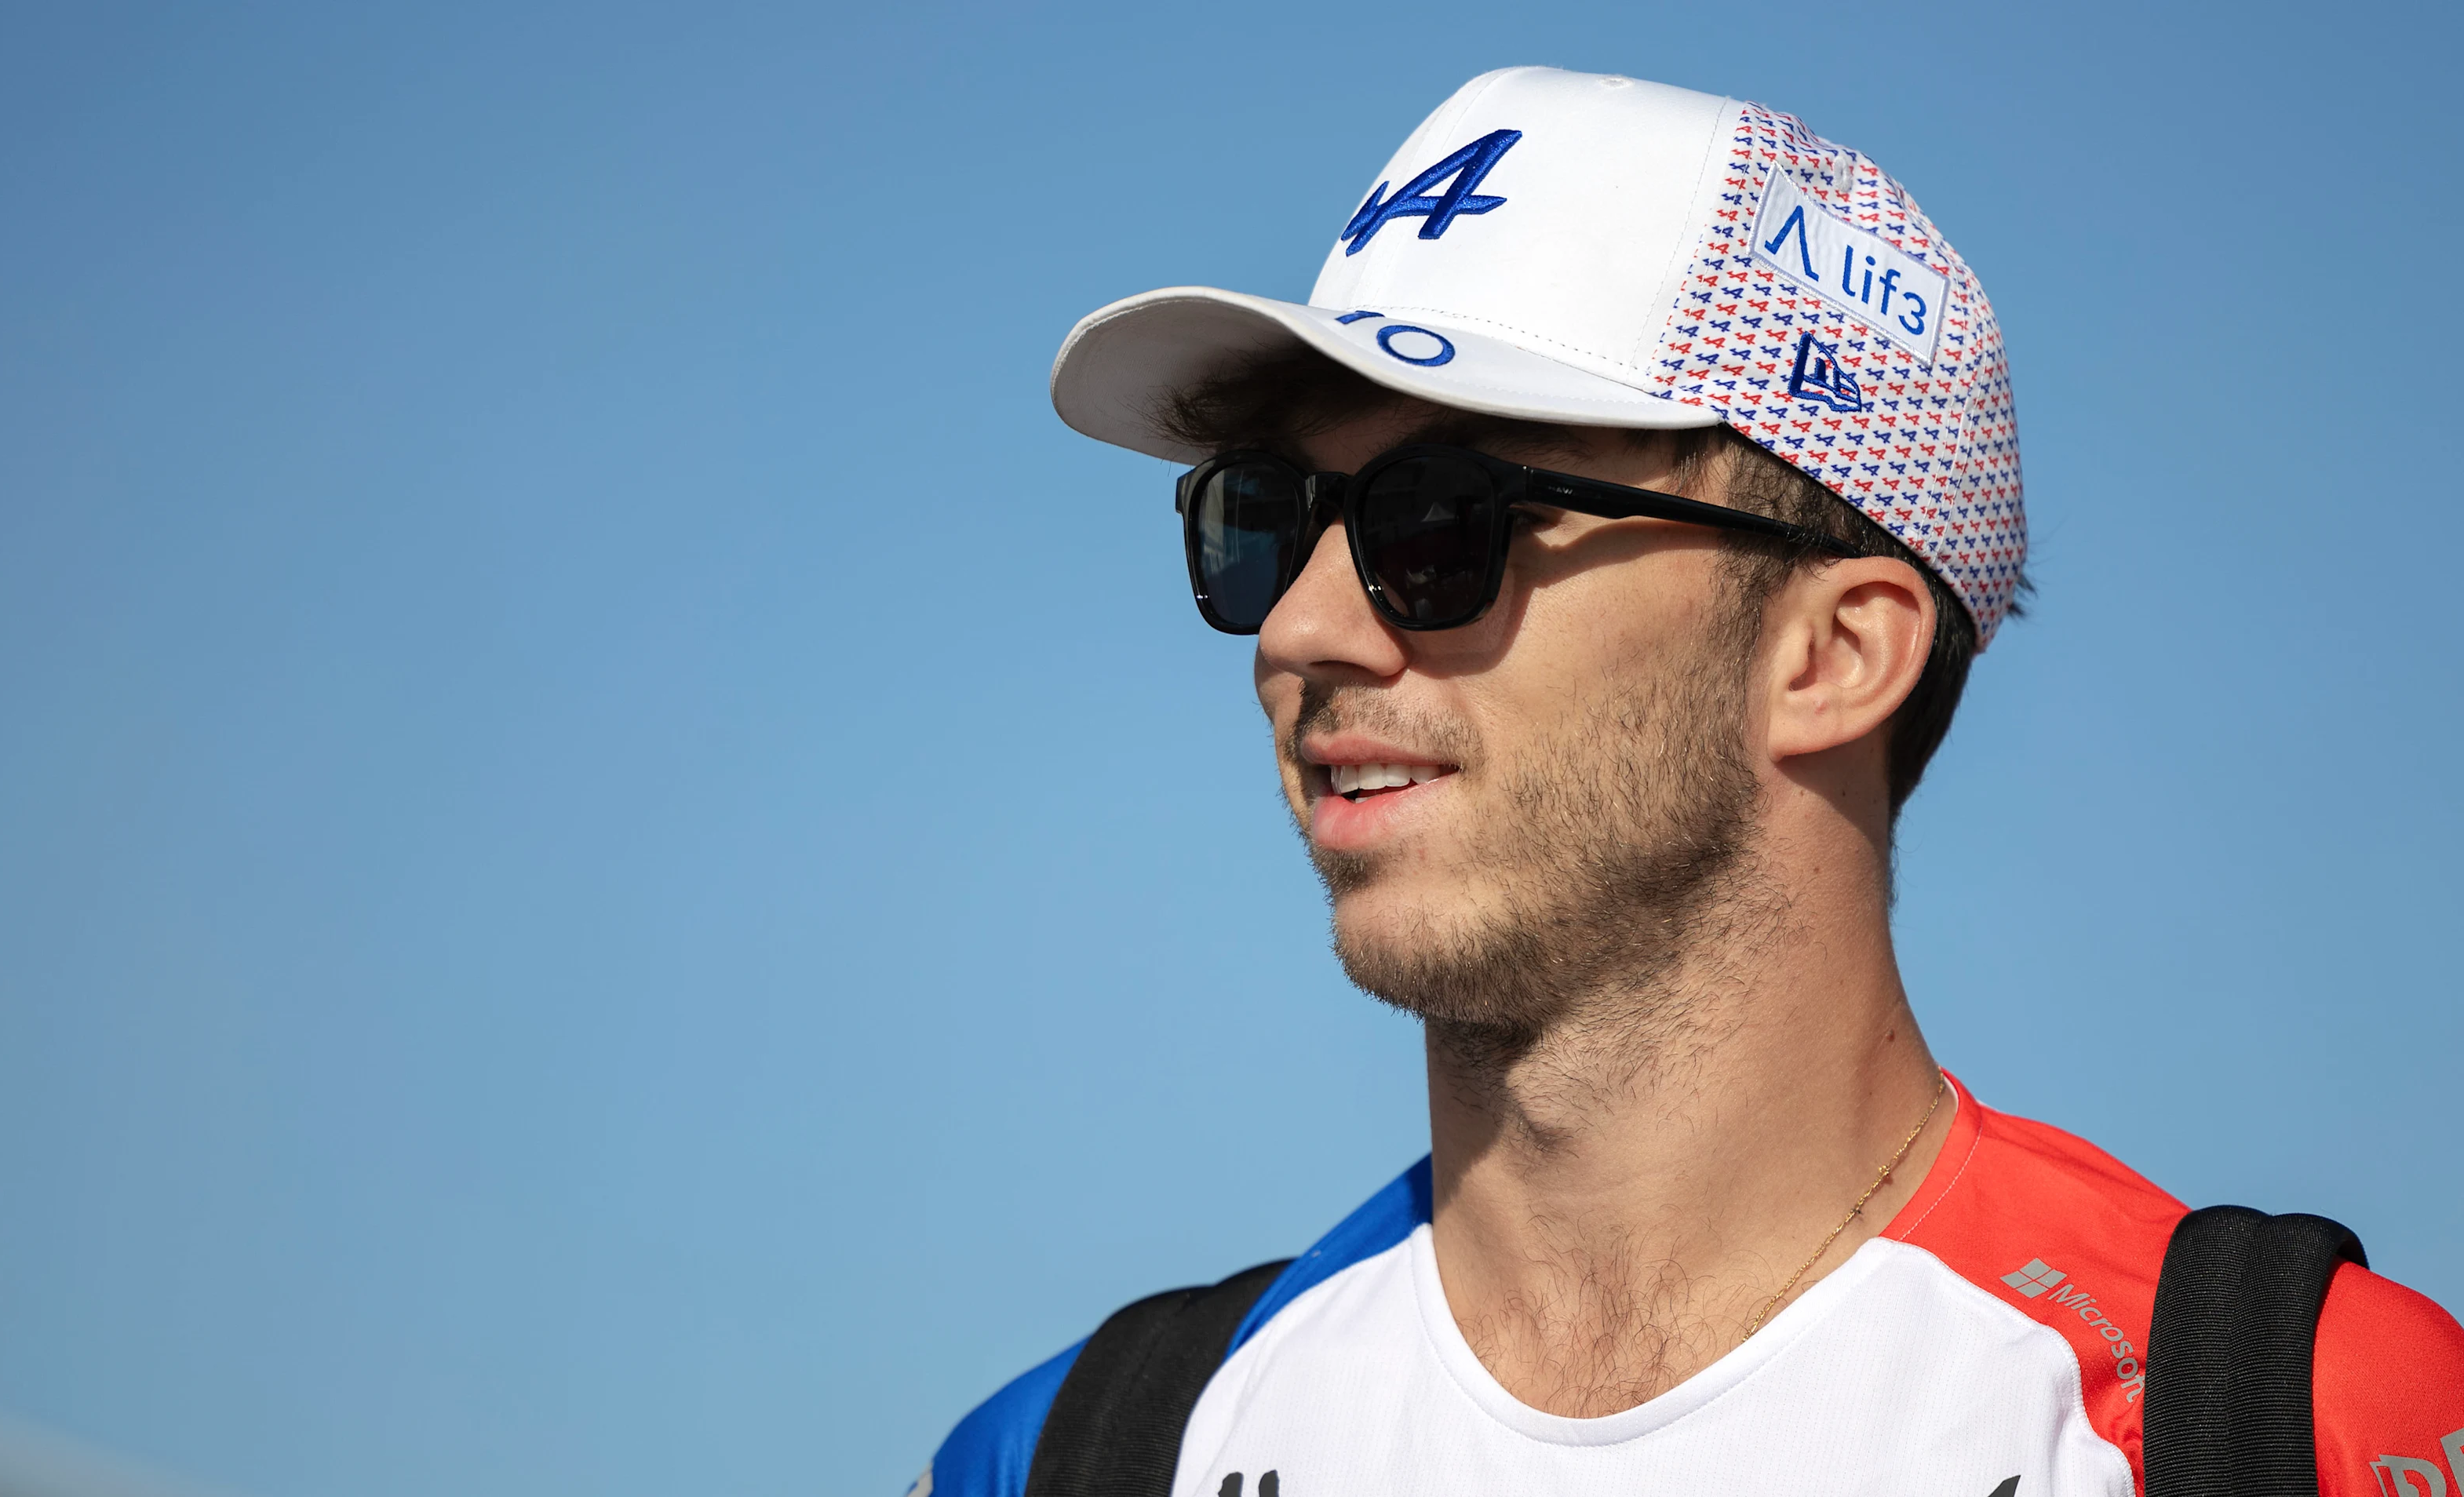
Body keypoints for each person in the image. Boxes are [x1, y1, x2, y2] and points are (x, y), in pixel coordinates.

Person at [915, 67, 2464, 1497]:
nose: (1303, 631)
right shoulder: (1085, 1453)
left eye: (1442, 519)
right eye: (1268, 518)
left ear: (1831, 654)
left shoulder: (2285, 1425)